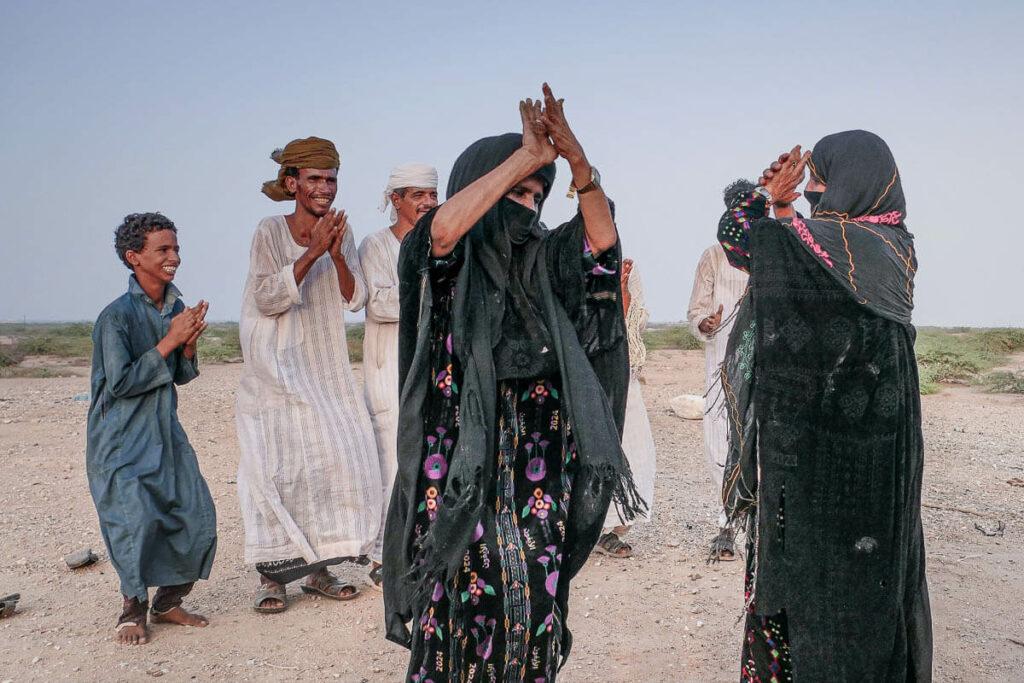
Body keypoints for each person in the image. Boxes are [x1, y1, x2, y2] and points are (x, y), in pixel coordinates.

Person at [383, 84, 643, 682]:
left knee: (532, 592)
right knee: (461, 595)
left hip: (538, 456)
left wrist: (577, 166)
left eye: (535, 194)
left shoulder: (549, 257)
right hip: (459, 463)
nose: (526, 204)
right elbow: (441, 232)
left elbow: (601, 247)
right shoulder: (449, 262)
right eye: (515, 192)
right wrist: (525, 157)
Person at [717, 131, 932, 681]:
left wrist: (770, 199)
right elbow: (775, 254)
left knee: (842, 578)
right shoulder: (891, 247)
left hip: (841, 456)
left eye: (821, 185)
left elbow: (743, 239)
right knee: (844, 580)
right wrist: (783, 205)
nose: (815, 197)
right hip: (833, 447)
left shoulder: (858, 247)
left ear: (856, 181)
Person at [236, 136, 381, 613]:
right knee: (276, 468)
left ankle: (319, 569)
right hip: (273, 369)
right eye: (315, 179)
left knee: (334, 458)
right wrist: (313, 252)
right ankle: (273, 578)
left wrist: (337, 254)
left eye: (331, 179)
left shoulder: (343, 229)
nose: (325, 188)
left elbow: (355, 298)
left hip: (323, 368)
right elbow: (266, 297)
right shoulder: (269, 230)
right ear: (291, 182)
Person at [86, 212, 217, 645]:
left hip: (164, 429)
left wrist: (189, 343)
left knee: (194, 514)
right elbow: (121, 383)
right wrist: (170, 341)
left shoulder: (175, 307)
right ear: (133, 257)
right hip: (121, 437)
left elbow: (180, 375)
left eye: (175, 248)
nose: (173, 257)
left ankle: (167, 601)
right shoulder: (115, 318)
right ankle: (132, 608)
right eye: (162, 249)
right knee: (134, 520)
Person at [359, 163, 439, 589]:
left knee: (430, 453)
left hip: (430, 362)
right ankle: (384, 557)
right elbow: (380, 304)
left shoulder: (442, 238)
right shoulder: (375, 245)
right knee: (391, 456)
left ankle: (423, 549)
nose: (427, 203)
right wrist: (428, 292)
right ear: (395, 200)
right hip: (388, 363)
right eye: (417, 195)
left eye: (432, 194)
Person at [686, 181, 752, 561]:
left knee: (759, 440)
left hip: (764, 361)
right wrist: (706, 323)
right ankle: (727, 523)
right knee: (720, 440)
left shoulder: (770, 251)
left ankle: (757, 523)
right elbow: (696, 310)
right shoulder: (712, 256)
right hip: (722, 361)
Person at [596, 258, 657, 558]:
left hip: (624, 373)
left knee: (636, 449)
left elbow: (631, 323)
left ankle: (614, 529)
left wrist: (620, 289)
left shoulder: (628, 270)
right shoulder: (573, 262)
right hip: (589, 374)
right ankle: (593, 528)